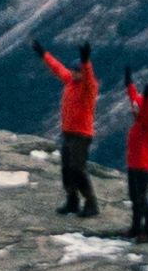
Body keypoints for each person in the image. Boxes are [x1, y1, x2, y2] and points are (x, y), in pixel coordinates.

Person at [35, 38, 100, 217]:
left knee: (77, 169)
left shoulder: (88, 88)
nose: (73, 73)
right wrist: (43, 54)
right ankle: (72, 200)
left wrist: (86, 62)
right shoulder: (70, 81)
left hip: (81, 135)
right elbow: (57, 68)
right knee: (66, 169)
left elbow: (89, 78)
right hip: (68, 133)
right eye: (73, 71)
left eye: (77, 72)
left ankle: (91, 203)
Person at [119, 69, 148, 246]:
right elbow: (133, 98)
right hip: (133, 164)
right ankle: (136, 227)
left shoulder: (147, 125)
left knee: (142, 198)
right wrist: (129, 83)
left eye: (136, 109)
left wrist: (147, 97)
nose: (133, 110)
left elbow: (147, 112)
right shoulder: (138, 123)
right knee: (135, 197)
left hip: (142, 166)